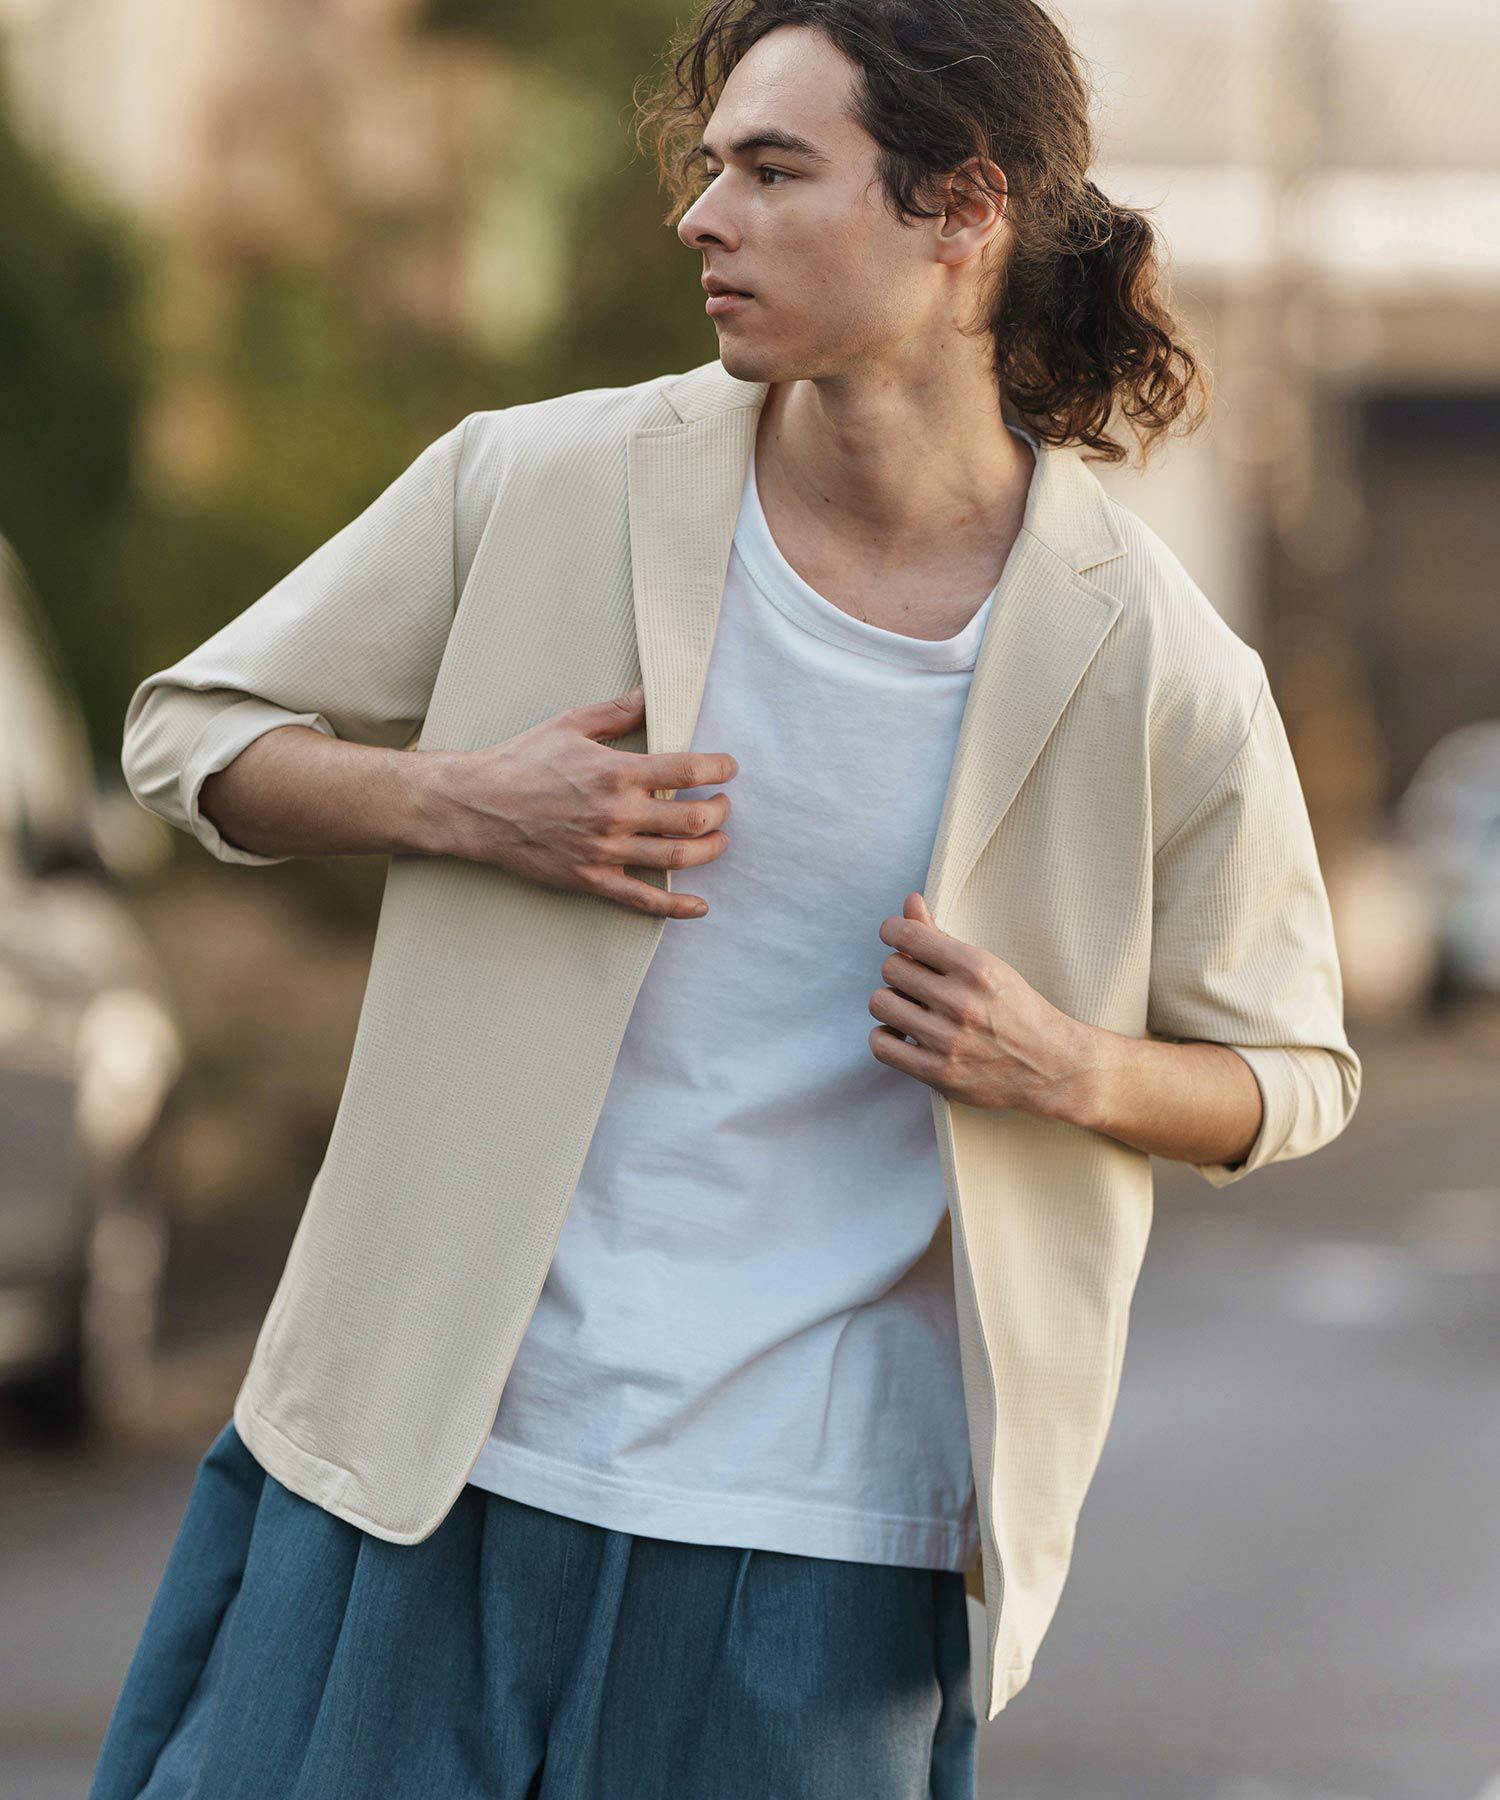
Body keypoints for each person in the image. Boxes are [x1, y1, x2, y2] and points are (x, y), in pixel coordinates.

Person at [89, 3, 1361, 1796]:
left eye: (773, 171)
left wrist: (1073, 1066)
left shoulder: (1159, 664)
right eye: (712, 168)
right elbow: (187, 734)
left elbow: (1295, 1070)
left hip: (822, 1543)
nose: (704, 215)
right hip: (426, 1455)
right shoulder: (542, 479)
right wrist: (461, 801)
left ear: (963, 207)